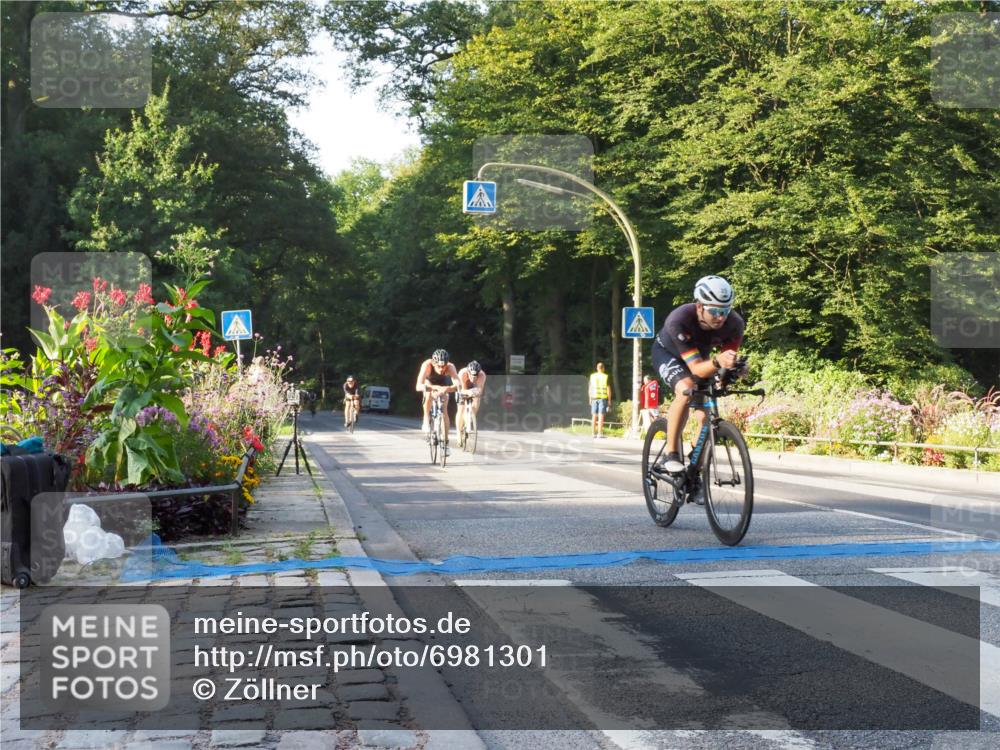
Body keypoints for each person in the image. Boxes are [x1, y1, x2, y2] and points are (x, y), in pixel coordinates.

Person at [651, 275, 744, 503]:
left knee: (706, 416)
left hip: (700, 357)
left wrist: (735, 370)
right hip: (669, 354)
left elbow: (726, 361)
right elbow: (695, 368)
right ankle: (671, 454)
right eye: (714, 311)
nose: (720, 317)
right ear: (700, 306)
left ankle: (695, 473)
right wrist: (717, 363)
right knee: (686, 388)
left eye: (725, 310)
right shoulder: (679, 319)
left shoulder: (735, 324)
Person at [415, 349, 459, 454]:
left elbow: (458, 385)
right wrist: (434, 387)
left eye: (443, 366)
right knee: (428, 394)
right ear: (433, 363)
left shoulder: (451, 367)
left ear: (447, 363)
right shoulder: (427, 365)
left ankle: (445, 443)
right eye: (438, 366)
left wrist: (446, 389)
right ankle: (426, 418)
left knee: (444, 408)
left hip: (444, 384)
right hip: (430, 383)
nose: (441, 368)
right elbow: (418, 386)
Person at [456, 360, 486, 447]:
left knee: (477, 401)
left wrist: (475, 392)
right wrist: (468, 393)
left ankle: (471, 417)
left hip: (474, 388)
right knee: (461, 409)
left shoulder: (482, 375)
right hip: (463, 388)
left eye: (475, 376)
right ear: (468, 372)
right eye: (471, 375)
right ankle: (459, 431)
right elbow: (461, 390)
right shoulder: (462, 373)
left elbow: (479, 389)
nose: (473, 378)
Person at [588, 362, 612, 439]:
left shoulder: (592, 376)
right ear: (603, 368)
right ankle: (599, 433)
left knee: (594, 415)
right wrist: (609, 400)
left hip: (594, 397)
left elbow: (590, 388)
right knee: (601, 415)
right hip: (603, 398)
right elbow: (608, 389)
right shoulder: (606, 377)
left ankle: (592, 433)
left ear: (597, 368)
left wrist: (590, 398)